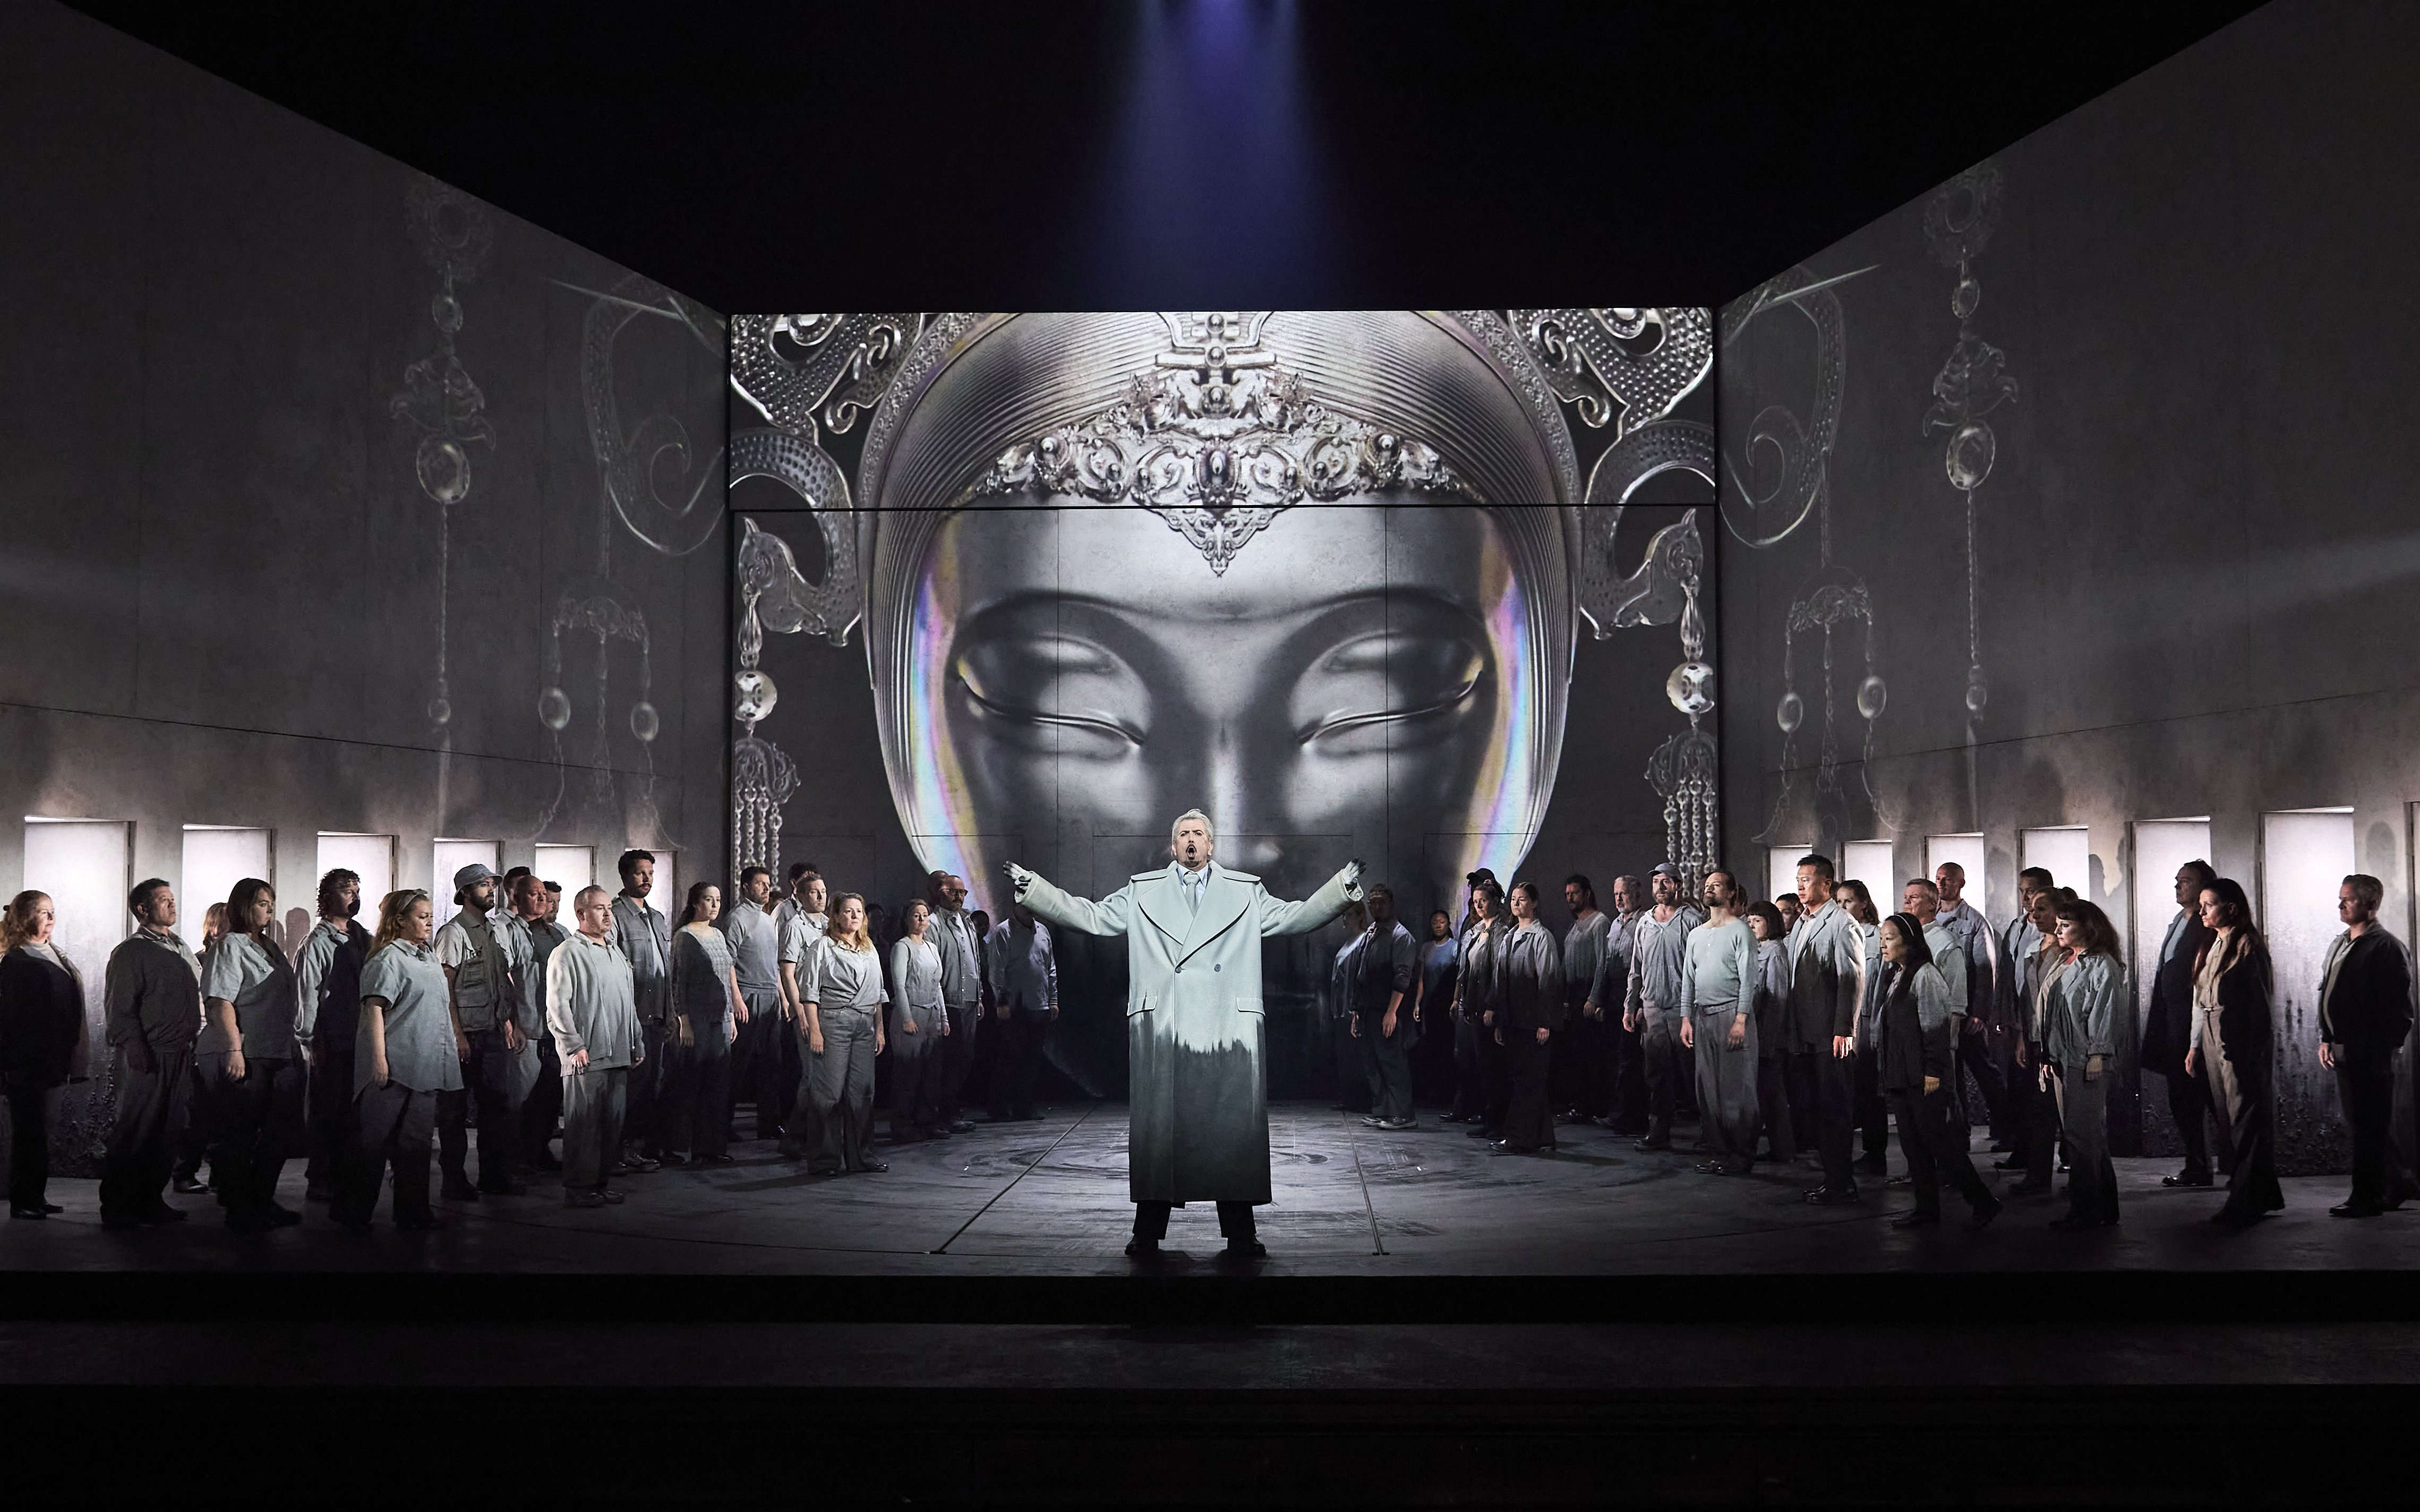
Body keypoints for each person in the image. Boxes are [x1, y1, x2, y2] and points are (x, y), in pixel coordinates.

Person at [1008, 809, 1361, 1260]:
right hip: (1167, 1029)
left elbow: (1295, 919)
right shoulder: (1143, 890)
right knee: (1161, 1135)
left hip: (1226, 1032)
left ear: (1211, 845)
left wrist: (1340, 888)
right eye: (1183, 835)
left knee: (1230, 1134)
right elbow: (1091, 917)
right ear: (1172, 847)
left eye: (1198, 834)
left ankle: (1240, 1232)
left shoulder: (1244, 891)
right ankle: (1148, 1232)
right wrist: (1034, 890)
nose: (1191, 840)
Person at [334, 890, 460, 1233]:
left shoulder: (429, 957)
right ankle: (354, 1212)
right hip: (395, 1063)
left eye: (430, 916)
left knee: (417, 1145)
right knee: (373, 1143)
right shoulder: (387, 958)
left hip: (424, 1063)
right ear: (400, 920)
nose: (429, 921)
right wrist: (378, 1060)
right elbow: (374, 1008)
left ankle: (412, 1211)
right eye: (421, 916)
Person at [1874, 912, 2000, 1229]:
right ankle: (1927, 1208)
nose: (1883, 946)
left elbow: (1936, 1029)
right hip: (1903, 1075)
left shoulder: (1925, 976)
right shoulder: (1897, 975)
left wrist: (1933, 1071)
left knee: (1937, 1142)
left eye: (1889, 939)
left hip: (1923, 1076)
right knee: (1912, 1145)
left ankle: (1982, 1200)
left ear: (1910, 942)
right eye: (1882, 939)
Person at [196, 878, 303, 1231]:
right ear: (243, 906)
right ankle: (241, 1208)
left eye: (271, 903)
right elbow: (219, 1001)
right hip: (251, 1052)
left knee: (280, 1133)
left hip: (280, 1050)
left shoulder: (270, 946)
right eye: (261, 903)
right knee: (241, 1134)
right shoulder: (230, 946)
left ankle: (262, 1199)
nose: (268, 910)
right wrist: (232, 1049)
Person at [99, 880, 202, 1226]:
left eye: (173, 899)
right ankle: (117, 1206)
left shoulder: (179, 946)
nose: (173, 906)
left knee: (167, 1131)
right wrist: (134, 1046)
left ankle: (149, 1200)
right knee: (138, 1130)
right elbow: (120, 1008)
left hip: (181, 1052)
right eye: (163, 901)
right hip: (152, 1054)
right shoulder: (131, 952)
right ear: (143, 909)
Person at [2319, 874, 2418, 1216]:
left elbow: (2399, 1009)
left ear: (2371, 905)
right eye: (2341, 898)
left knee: (2368, 1125)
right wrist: (2327, 1037)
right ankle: (2400, 1182)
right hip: (2346, 1047)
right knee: (2364, 1122)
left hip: (2369, 1050)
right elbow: (2329, 992)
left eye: (2349, 899)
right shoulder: (2341, 942)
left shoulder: (2385, 946)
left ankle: (2367, 1197)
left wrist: (2382, 1048)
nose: (2341, 905)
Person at [2188, 879, 2284, 1229]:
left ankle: (2245, 1198)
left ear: (2230, 907)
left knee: (2245, 1117)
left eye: (2208, 904)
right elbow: (2201, 999)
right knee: (2230, 1117)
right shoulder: (2214, 944)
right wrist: (2195, 1044)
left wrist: (2249, 1050)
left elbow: (2258, 1004)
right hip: (2215, 1033)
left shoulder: (2246, 946)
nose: (2201, 911)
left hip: (2238, 1037)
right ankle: (2260, 1193)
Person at [546, 886, 644, 1210]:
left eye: (608, 908)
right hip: (587, 1056)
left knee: (611, 1125)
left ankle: (599, 1184)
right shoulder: (568, 953)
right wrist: (574, 1046)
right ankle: (579, 1188)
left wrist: (637, 1040)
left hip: (618, 1053)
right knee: (584, 1125)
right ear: (581, 914)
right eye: (599, 908)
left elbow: (628, 1003)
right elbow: (557, 1006)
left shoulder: (616, 952)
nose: (607, 914)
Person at [432, 863, 526, 1198]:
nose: (491, 890)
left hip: (492, 1033)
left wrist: (510, 1023)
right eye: (483, 885)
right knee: (454, 1111)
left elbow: (502, 981)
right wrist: (456, 1036)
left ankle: (494, 1176)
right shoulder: (453, 933)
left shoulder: (495, 931)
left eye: (491, 884)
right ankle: (454, 1181)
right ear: (464, 893)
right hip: (467, 1035)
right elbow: (447, 988)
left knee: (496, 1108)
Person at [1, 892, 89, 1219]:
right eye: (43, 912)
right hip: (29, 1062)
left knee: (43, 1131)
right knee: (29, 1132)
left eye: (53, 911)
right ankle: (23, 1200)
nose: (51, 918)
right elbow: (13, 1018)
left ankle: (34, 1196)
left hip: (52, 1058)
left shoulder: (53, 953)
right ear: (26, 917)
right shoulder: (17, 960)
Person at [2042, 897, 2125, 1231]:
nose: (2058, 930)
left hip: (2084, 1060)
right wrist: (2046, 1057)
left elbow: (2105, 1013)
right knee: (2084, 1136)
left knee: (2081, 1136)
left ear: (2087, 929)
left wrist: (2098, 1056)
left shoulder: (2102, 965)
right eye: (2058, 924)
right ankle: (2103, 1206)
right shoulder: (2064, 960)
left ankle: (2086, 1210)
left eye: (2066, 925)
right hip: (2062, 1058)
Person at [1787, 855, 1865, 1205]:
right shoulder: (1802, 922)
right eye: (1798, 879)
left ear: (1826, 884)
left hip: (1831, 1035)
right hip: (1805, 1031)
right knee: (1816, 1109)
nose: (1801, 885)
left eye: (1808, 879)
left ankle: (1841, 1182)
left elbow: (1851, 978)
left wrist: (1844, 1030)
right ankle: (1831, 1177)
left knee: (1835, 1110)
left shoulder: (1840, 923)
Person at [2140, 860, 2221, 1187]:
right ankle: (2197, 1164)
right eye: (2177, 881)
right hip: (2172, 1022)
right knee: (2182, 1098)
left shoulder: (2205, 928)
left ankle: (2219, 1166)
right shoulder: (2179, 920)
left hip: (2193, 1023)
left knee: (2206, 1097)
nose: (2178, 886)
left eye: (2185, 881)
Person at [294, 869, 372, 1203]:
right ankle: (322, 1175)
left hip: (362, 1037)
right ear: (326, 899)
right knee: (328, 1107)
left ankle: (348, 1172)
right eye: (346, 890)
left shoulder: (363, 937)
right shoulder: (316, 944)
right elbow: (306, 994)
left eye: (356, 889)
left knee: (356, 1109)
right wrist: (308, 1040)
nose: (353, 896)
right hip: (331, 1038)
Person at [799, 893, 888, 1176]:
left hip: (865, 1024)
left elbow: (877, 994)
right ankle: (825, 1160)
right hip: (834, 1021)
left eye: (859, 912)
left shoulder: (869, 948)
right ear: (836, 916)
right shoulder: (822, 947)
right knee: (829, 1093)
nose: (854, 916)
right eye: (848, 912)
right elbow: (809, 994)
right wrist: (815, 1030)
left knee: (862, 1093)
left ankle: (861, 1156)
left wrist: (880, 1030)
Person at [1680, 871, 1757, 1176]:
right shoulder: (1697, 935)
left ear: (1731, 893)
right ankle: (1721, 1152)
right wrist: (1686, 1018)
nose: (1708, 889)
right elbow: (1688, 978)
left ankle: (1741, 1154)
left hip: (1730, 1016)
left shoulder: (1740, 931)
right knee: (1708, 1090)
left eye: (1715, 885)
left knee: (1736, 1090)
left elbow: (1749, 978)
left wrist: (1741, 1019)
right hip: (1703, 1016)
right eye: (1706, 885)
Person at [664, 881, 746, 1164]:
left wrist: (732, 1016)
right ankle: (682, 1148)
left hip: (720, 1019)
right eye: (708, 900)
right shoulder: (685, 936)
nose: (714, 906)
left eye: (718, 900)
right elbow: (677, 981)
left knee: (718, 1085)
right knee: (692, 1084)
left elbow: (727, 976)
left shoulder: (718, 935)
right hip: (697, 1019)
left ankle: (711, 1148)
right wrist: (683, 1020)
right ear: (696, 903)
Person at [1622, 863, 1701, 1152]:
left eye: (1666, 882)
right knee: (1656, 1074)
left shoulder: (1692, 921)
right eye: (1656, 882)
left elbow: (1700, 968)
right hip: (1653, 1008)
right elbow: (1636, 968)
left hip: (1684, 1011)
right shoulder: (1645, 922)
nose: (1660, 888)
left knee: (1693, 1072)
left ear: (1678, 886)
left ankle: (1710, 1133)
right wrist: (1631, 1005)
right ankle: (1659, 1131)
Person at [1932, 861, 2006, 1144]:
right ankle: (1959, 1132)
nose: (1942, 884)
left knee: (1983, 1070)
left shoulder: (1975, 922)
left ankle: (2005, 1127)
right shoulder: (1933, 918)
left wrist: (1979, 1012)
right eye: (1938, 879)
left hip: (1967, 1013)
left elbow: (1985, 969)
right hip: (1943, 1011)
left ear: (1961, 883)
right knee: (1952, 1074)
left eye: (1948, 880)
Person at [2005, 886, 2070, 1196]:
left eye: (2042, 909)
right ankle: (2038, 1173)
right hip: (2035, 1040)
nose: (2035, 915)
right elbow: (2026, 998)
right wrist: (2021, 1036)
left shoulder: (2070, 950)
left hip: (2063, 1040)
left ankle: (2081, 1178)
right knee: (2038, 1108)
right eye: (2032, 909)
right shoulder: (2032, 947)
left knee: (2065, 1110)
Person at [502, 873, 569, 1173]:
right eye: (534, 894)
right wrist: (513, 1021)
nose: (542, 899)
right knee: (521, 1097)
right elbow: (507, 979)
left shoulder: (556, 934)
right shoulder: (511, 932)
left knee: (550, 1095)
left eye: (544, 894)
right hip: (528, 1027)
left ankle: (539, 1151)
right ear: (517, 897)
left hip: (554, 1028)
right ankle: (516, 1157)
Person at [611, 850, 672, 1169]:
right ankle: (618, 1150)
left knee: (651, 1086)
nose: (647, 879)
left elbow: (666, 969)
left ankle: (639, 1147)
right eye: (639, 873)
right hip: (633, 1016)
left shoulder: (658, 917)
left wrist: (671, 1011)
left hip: (657, 1015)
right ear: (625, 876)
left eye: (650, 872)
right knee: (630, 1087)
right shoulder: (615, 915)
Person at [1492, 881, 1562, 1153]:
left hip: (1532, 1022)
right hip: (1514, 1021)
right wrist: (1500, 1019)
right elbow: (1501, 981)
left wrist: (1544, 1021)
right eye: (1513, 899)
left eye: (1522, 899)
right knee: (1526, 1080)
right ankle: (1544, 1138)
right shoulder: (1509, 937)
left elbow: (1548, 980)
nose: (1517, 904)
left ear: (1533, 903)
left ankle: (1519, 1138)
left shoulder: (1541, 937)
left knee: (1528, 1081)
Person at [721, 866, 789, 1143]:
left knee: (772, 1065)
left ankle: (769, 1124)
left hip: (770, 996)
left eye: (768, 884)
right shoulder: (736, 918)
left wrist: (783, 998)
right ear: (745, 887)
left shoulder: (768, 919)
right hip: (748, 997)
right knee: (737, 1066)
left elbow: (775, 965)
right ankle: (723, 1124)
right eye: (759, 884)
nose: (765, 888)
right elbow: (728, 963)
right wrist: (737, 999)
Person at [1349, 886, 1420, 1131]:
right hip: (1369, 1009)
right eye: (1373, 902)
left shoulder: (1401, 937)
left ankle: (1402, 1113)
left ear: (1391, 904)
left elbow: (1403, 977)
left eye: (1381, 902)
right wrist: (1357, 1012)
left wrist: (1392, 1012)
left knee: (1392, 1063)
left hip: (1387, 1010)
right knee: (1373, 1063)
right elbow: (1361, 974)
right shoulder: (1371, 933)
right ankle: (1383, 1111)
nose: (1376, 906)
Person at [923, 872, 985, 1136]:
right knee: (949, 1061)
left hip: (970, 1000)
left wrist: (980, 996)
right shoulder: (935, 922)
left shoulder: (967, 922)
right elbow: (934, 965)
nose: (958, 897)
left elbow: (975, 961)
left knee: (965, 1059)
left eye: (962, 893)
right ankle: (943, 1114)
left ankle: (953, 1109)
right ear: (941, 892)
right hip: (950, 1001)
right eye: (953, 892)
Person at [986, 902, 1059, 1121]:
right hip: (1015, 1006)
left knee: (1032, 1058)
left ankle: (1024, 1106)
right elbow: (996, 969)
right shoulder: (1003, 932)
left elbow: (1050, 967)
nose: (1030, 908)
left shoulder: (1042, 931)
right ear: (1015, 904)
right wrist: (1001, 1002)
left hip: (1039, 1003)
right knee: (1010, 1058)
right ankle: (998, 1107)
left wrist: (1053, 999)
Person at [1833, 878, 1886, 1173]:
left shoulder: (1876, 937)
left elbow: (1879, 984)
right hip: (1846, 1021)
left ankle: (1875, 1152)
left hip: (1867, 1021)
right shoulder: (1838, 932)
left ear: (1863, 903)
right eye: (1839, 902)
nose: (1843, 908)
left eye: (1848, 902)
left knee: (1870, 1090)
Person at [1587, 875, 1647, 1134]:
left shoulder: (1644, 923)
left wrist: (1639, 1003)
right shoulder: (1614, 925)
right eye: (1615, 894)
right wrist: (1600, 999)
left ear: (1636, 895)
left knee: (1631, 1060)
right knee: (1616, 1058)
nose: (1619, 899)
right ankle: (1620, 1113)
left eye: (1623, 894)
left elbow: (1643, 967)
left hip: (1633, 996)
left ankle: (1631, 1117)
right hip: (1614, 997)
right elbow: (1606, 964)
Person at [886, 898, 949, 1141]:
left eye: (925, 915)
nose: (922, 919)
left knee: (931, 1072)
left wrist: (943, 1017)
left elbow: (937, 985)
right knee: (908, 1073)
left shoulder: (932, 948)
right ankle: (902, 1124)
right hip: (912, 1013)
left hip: (931, 1015)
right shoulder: (902, 947)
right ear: (907, 919)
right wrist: (906, 1017)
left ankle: (927, 1120)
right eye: (916, 915)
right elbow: (899, 985)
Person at [1455, 879, 1510, 1137]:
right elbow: (1467, 969)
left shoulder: (1501, 930)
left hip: (1489, 1007)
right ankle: (1489, 1118)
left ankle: (1499, 1122)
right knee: (1482, 1067)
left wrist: (1491, 1005)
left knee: (1494, 1068)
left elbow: (1498, 970)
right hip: (1474, 1005)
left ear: (1495, 901)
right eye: (1476, 902)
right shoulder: (1477, 930)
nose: (1479, 906)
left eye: (1483, 901)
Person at [1743, 901, 1794, 1165]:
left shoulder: (1775, 952)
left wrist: (1769, 1040)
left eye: (1758, 921)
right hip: (1757, 1032)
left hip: (1770, 1036)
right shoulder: (1758, 949)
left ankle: (1783, 1148)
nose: (1752, 926)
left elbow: (1777, 998)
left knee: (1772, 1094)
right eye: (1749, 921)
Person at [1558, 875, 1612, 1122]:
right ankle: (1579, 1104)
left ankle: (1591, 1106)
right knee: (1575, 1053)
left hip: (1588, 992)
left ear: (1587, 894)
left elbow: (1603, 961)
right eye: (1567, 894)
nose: (1570, 898)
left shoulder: (1599, 923)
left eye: (1575, 893)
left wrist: (1595, 997)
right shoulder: (1575, 926)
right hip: (1575, 994)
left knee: (1590, 1054)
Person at [1324, 898, 1373, 1114]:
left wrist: (1356, 1008)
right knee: (1345, 1056)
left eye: (1349, 914)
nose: (1345, 919)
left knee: (1356, 1057)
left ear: (1360, 916)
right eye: (1344, 915)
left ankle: (1360, 1099)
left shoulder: (1362, 941)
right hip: (1340, 1009)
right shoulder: (1348, 942)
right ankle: (1350, 1097)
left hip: (1351, 1009)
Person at [1412, 908, 1459, 1109]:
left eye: (1441, 922)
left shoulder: (1455, 948)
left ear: (1448, 924)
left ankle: (1447, 1093)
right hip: (1430, 1006)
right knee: (1430, 1048)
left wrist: (1456, 1001)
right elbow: (1422, 978)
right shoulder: (1426, 948)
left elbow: (1458, 978)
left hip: (1446, 1006)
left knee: (1446, 1049)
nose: (1438, 926)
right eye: (1434, 923)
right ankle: (1432, 1092)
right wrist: (1417, 1003)